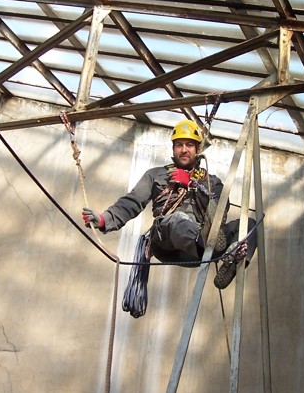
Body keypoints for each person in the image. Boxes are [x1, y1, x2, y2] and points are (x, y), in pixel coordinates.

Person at [81, 119, 253, 289]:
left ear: (198, 149)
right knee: (177, 219)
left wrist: (193, 184)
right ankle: (211, 243)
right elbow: (132, 201)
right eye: (179, 145)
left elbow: (221, 212)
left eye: (189, 145)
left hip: (201, 249)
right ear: (173, 148)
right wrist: (105, 220)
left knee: (250, 225)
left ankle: (232, 258)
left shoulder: (212, 182)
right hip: (166, 242)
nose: (184, 150)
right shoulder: (156, 175)